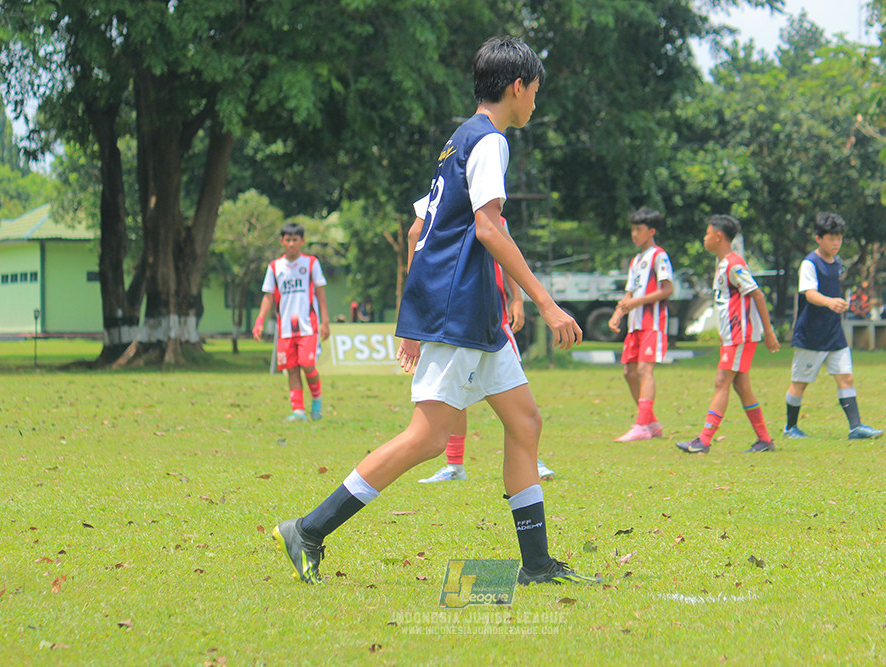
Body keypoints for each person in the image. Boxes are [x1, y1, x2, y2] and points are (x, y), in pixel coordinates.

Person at [271, 36, 598, 586]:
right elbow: (488, 228)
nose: (535, 105)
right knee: (426, 438)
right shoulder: (490, 142)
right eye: (535, 93)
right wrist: (546, 301)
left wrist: (420, 316)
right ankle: (308, 529)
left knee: (525, 423)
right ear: (517, 88)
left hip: (470, 312)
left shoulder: (457, 141)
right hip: (461, 310)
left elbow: (423, 230)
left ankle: (537, 565)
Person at [409, 211, 556, 483]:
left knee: (508, 393)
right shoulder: (446, 212)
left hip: (492, 320)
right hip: (459, 320)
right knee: (455, 397)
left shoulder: (496, 218)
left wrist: (517, 299)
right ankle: (455, 465)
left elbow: (508, 256)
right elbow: (413, 236)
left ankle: (530, 460)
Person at [676, 215, 780, 454]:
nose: (705, 238)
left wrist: (769, 333)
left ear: (718, 237)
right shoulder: (723, 264)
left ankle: (703, 441)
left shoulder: (734, 264)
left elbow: (758, 295)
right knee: (741, 386)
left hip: (740, 335)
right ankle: (764, 439)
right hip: (732, 336)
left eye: (707, 233)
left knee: (722, 382)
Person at [783, 212, 883, 440]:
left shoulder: (837, 262)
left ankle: (855, 427)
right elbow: (809, 294)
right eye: (831, 238)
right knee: (800, 382)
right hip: (811, 334)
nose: (836, 243)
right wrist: (830, 301)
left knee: (845, 377)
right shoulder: (809, 263)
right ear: (819, 238)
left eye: (839, 238)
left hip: (833, 332)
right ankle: (790, 428)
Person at [253, 222, 331, 422]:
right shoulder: (275, 267)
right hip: (285, 329)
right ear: (281, 241)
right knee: (292, 369)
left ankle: (316, 400)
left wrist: (325, 321)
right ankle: (298, 411)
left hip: (308, 326)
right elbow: (268, 296)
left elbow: (321, 294)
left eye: (295, 240)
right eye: (287, 240)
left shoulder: (311, 263)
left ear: (302, 241)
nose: (291, 244)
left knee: (307, 364)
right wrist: (260, 321)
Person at [608, 207, 674, 442]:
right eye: (633, 229)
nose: (634, 234)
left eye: (639, 230)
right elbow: (629, 293)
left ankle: (641, 425)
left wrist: (636, 302)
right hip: (635, 325)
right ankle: (651, 423)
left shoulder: (659, 256)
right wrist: (618, 314)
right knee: (629, 372)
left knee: (645, 371)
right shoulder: (636, 261)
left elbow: (667, 289)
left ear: (651, 231)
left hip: (653, 324)